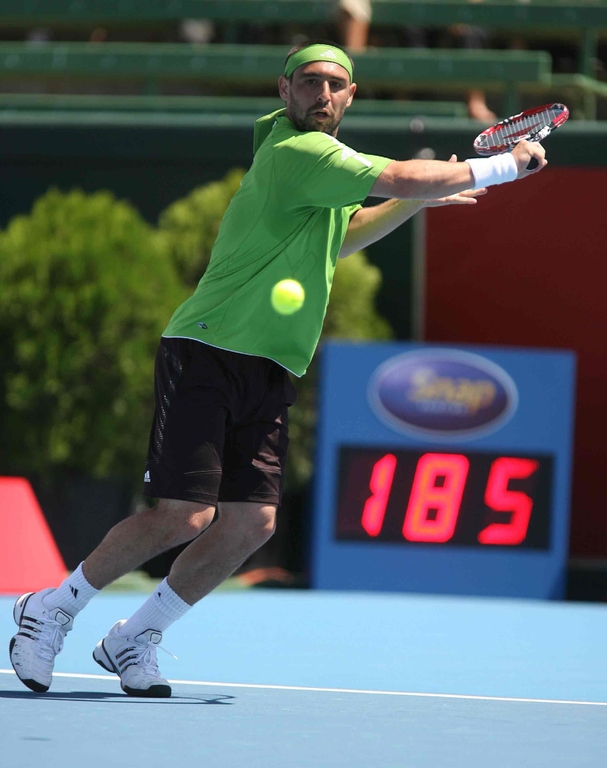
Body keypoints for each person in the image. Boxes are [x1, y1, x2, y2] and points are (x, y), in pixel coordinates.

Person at [9, 39, 546, 698]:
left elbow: (344, 237)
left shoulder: (324, 175)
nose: (322, 94)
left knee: (250, 523)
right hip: (208, 349)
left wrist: (420, 197)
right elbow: (406, 175)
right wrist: (503, 167)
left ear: (351, 96)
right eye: (309, 82)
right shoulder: (297, 153)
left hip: (270, 365)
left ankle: (135, 637)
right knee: (182, 515)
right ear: (284, 91)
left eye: (335, 84)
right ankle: (50, 609)